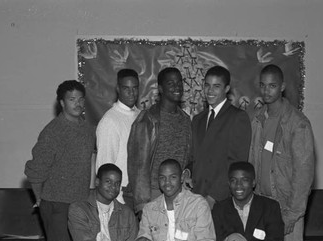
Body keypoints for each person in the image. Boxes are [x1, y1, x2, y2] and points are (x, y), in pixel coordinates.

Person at [24, 80, 96, 241]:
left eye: (80, 98)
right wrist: (41, 199)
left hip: (79, 203)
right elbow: (34, 170)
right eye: (71, 99)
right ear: (62, 102)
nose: (77, 103)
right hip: (56, 204)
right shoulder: (53, 131)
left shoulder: (87, 129)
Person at [249, 64, 315, 241]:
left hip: (287, 206)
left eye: (272, 85)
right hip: (263, 204)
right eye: (263, 85)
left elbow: (305, 174)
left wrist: (292, 213)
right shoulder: (258, 118)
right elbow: (254, 159)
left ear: (283, 87)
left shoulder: (297, 124)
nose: (267, 90)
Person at [127, 67, 192, 214]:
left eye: (179, 83)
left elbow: (188, 157)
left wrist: (187, 172)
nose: (177, 87)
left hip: (179, 193)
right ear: (161, 89)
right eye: (171, 83)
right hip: (153, 193)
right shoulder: (147, 119)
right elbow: (137, 165)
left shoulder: (185, 120)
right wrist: (142, 203)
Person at [186, 65, 251, 209]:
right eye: (207, 85)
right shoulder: (198, 119)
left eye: (216, 86)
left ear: (227, 89)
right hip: (195, 196)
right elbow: (193, 158)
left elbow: (237, 163)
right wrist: (187, 172)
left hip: (221, 198)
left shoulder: (237, 117)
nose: (210, 91)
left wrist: (214, 196)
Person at [96, 69, 141, 207]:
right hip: (121, 195)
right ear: (117, 89)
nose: (131, 93)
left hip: (140, 192)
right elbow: (104, 165)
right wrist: (117, 201)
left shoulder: (141, 115)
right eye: (126, 88)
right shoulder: (110, 120)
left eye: (134, 88)